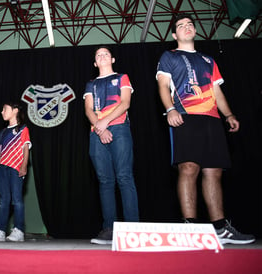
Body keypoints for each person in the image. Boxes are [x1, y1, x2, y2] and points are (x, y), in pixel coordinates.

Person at [156, 14, 255, 245]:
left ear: (195, 31)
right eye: (181, 26)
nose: (187, 27)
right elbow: (162, 85)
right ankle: (190, 228)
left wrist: (228, 114)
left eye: (190, 24)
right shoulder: (168, 56)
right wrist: (170, 109)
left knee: (214, 172)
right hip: (185, 116)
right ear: (174, 35)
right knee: (189, 168)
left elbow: (217, 91)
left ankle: (220, 228)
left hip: (211, 119)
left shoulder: (209, 60)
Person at [83, 46, 139, 245]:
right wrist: (99, 127)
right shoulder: (90, 84)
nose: (102, 56)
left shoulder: (122, 77)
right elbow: (88, 109)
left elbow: (125, 103)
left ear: (112, 59)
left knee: (124, 176)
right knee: (105, 181)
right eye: (98, 55)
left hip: (119, 128)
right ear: (95, 63)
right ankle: (109, 229)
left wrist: (104, 122)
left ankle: (132, 229)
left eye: (106, 53)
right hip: (96, 132)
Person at [0, 102, 31, 242]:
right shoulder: (3, 132)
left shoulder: (22, 129)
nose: (2, 112)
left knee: (17, 199)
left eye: (5, 109)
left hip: (16, 167)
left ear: (15, 110)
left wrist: (24, 165)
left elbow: (26, 148)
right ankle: (0, 230)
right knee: (3, 200)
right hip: (2, 167)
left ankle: (19, 230)